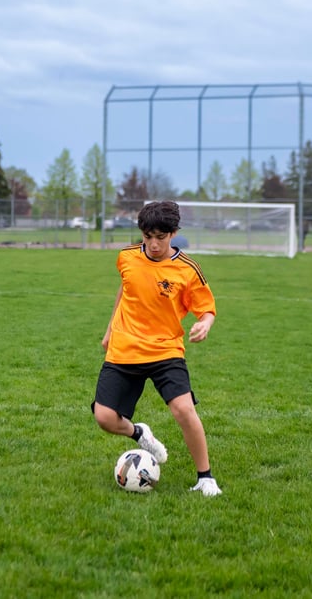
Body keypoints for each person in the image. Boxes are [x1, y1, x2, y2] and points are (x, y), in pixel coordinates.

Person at [91, 201, 222, 497]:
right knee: (104, 418)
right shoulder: (125, 258)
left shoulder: (187, 269)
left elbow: (207, 308)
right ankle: (140, 433)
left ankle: (205, 478)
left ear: (173, 233)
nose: (153, 244)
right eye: (147, 237)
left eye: (160, 238)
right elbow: (126, 289)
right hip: (125, 348)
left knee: (183, 409)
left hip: (165, 351)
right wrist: (110, 329)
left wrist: (206, 323)